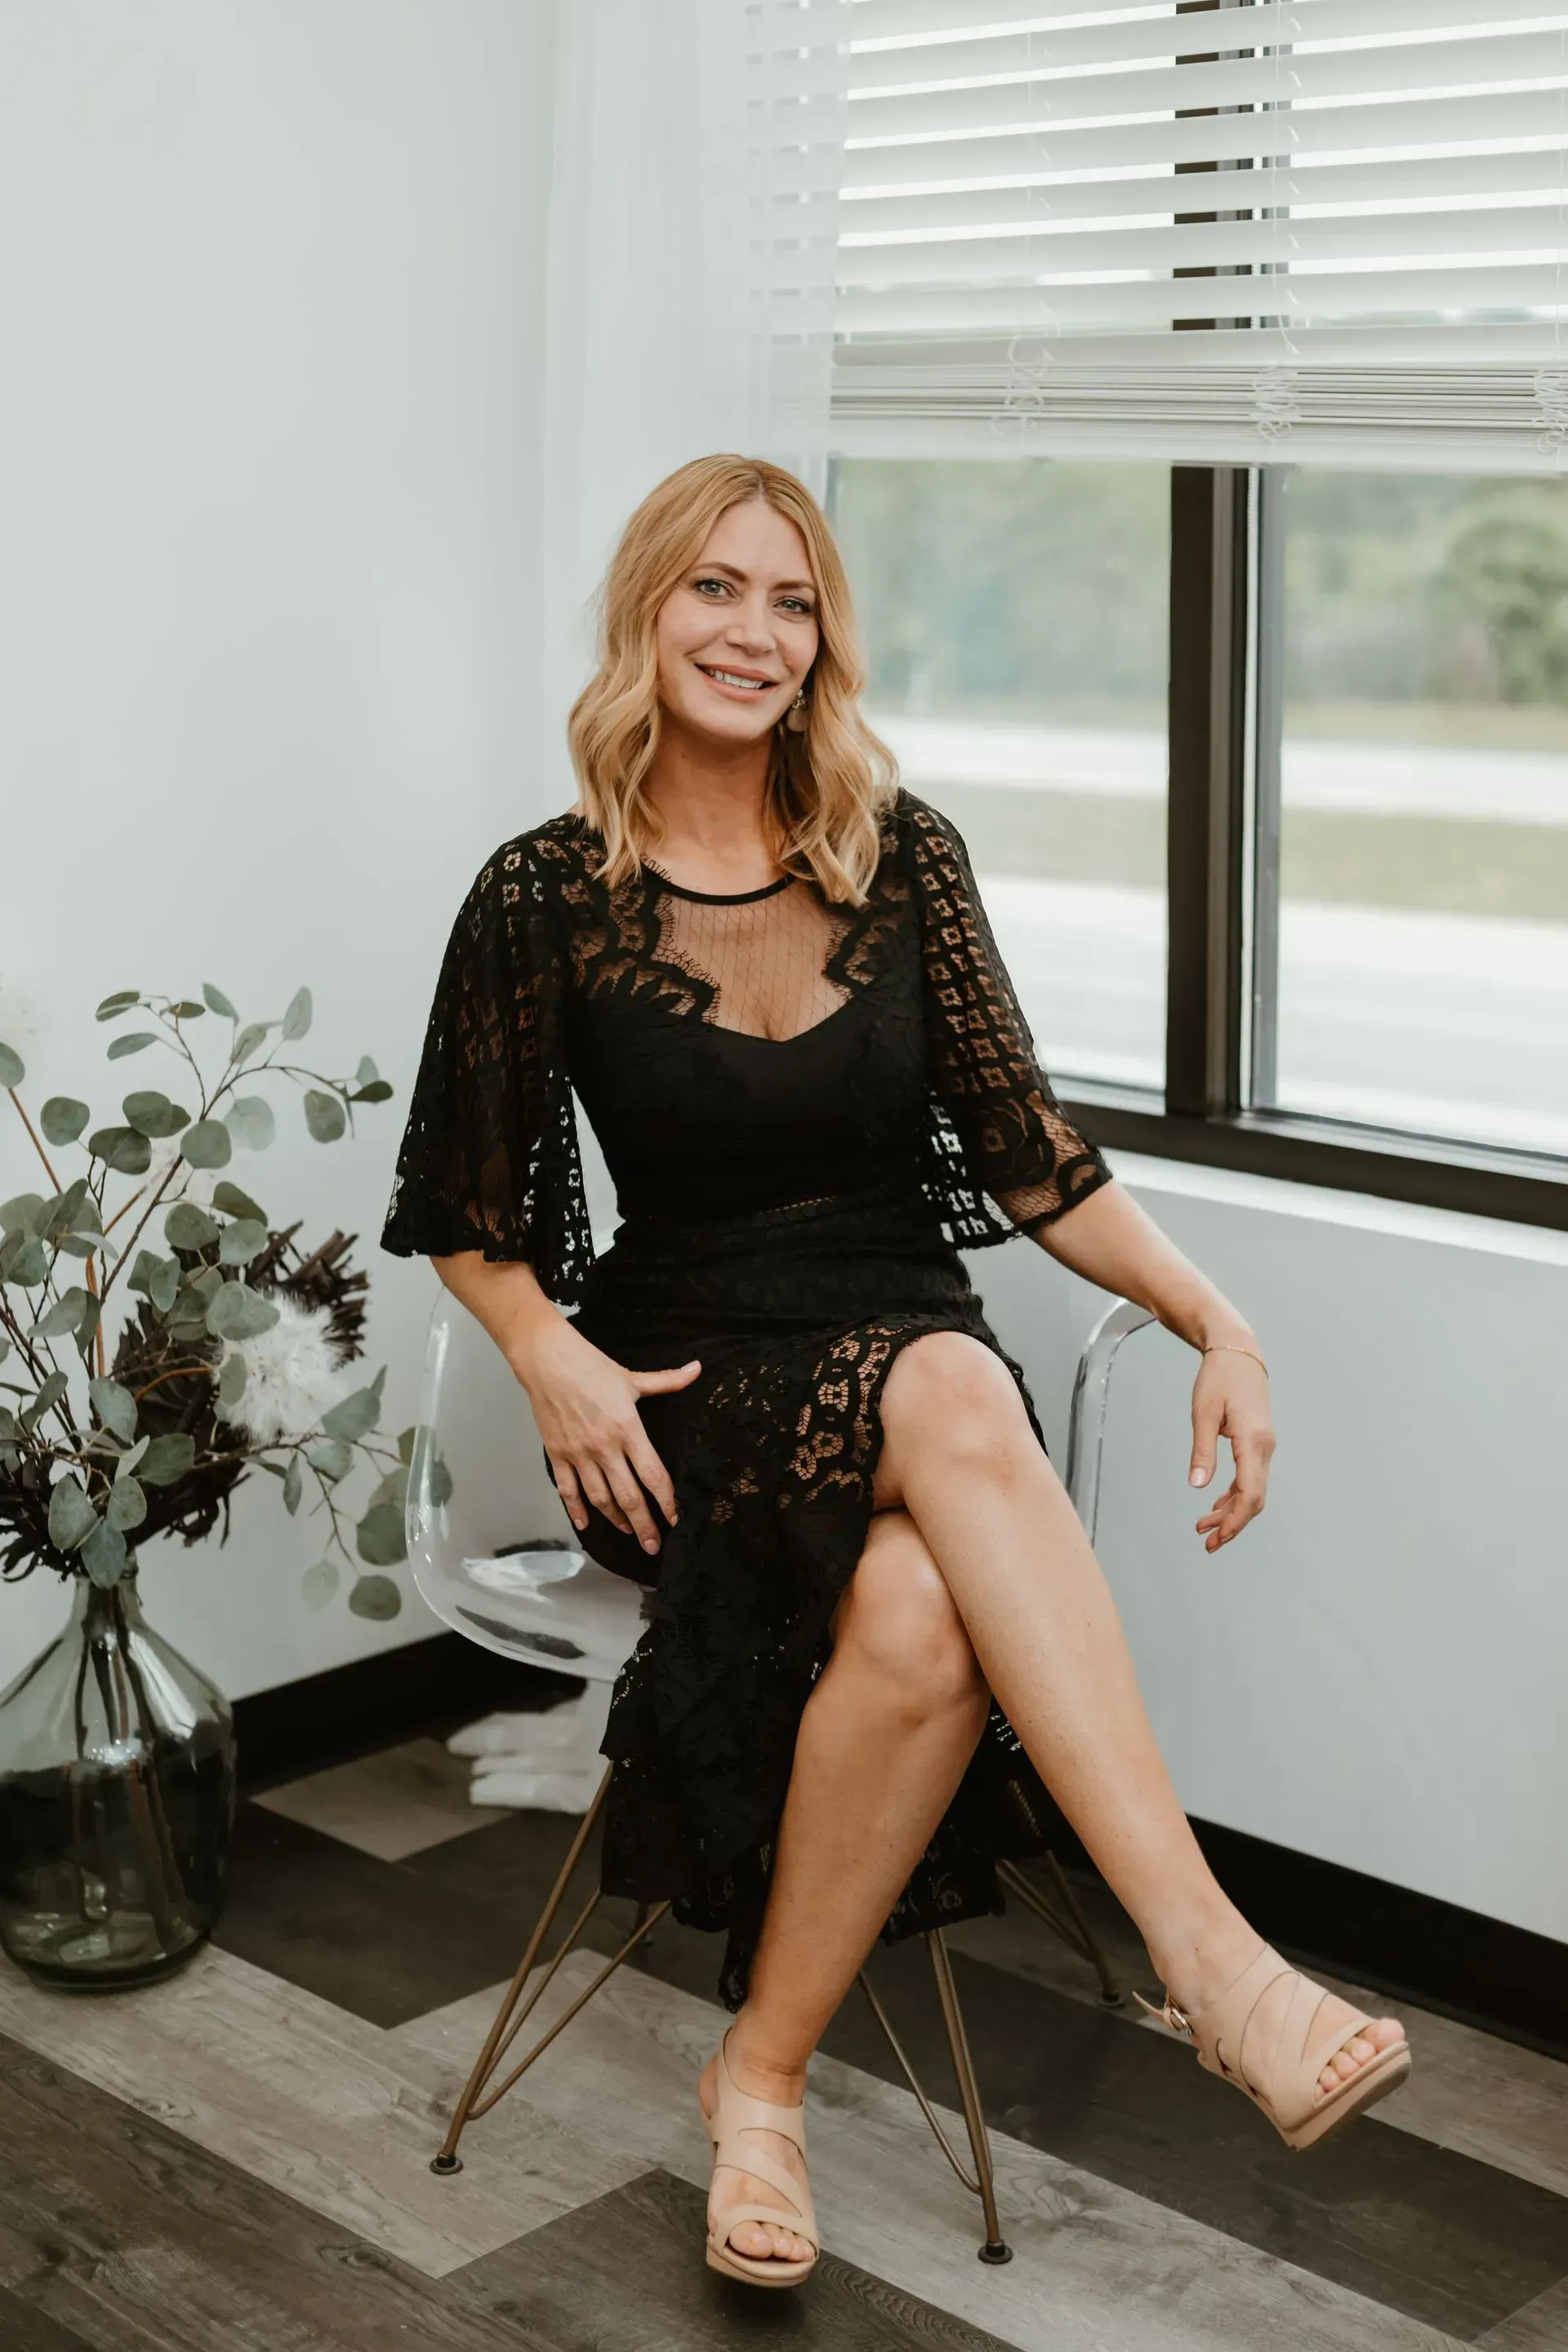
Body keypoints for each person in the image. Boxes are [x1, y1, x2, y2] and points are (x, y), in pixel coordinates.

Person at [380, 453, 1410, 2291]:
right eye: (715, 589)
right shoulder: (540, 894)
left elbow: (1032, 1157)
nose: (753, 632)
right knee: (954, 1391)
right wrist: (549, 1358)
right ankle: (1213, 1965)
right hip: (679, 1394)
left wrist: (1219, 1321)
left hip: (908, 1362)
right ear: (645, 613)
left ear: (825, 644)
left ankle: (757, 2080)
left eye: (792, 602)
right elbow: (463, 1207)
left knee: (931, 1588)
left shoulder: (901, 853)